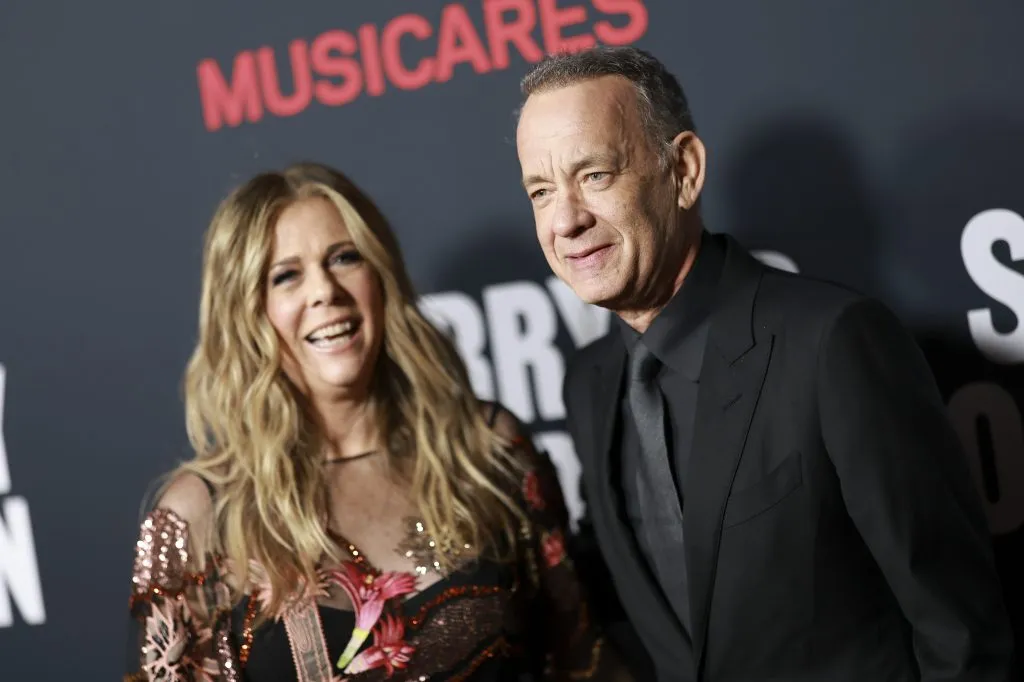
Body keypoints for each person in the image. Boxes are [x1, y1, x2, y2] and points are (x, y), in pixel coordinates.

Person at [515, 46, 1017, 681]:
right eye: (541, 191)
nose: (565, 220)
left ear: (684, 170)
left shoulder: (831, 343)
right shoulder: (590, 384)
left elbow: (960, 633)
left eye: (595, 176)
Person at [124, 162, 632, 682]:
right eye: (286, 276)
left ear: (380, 276)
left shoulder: (485, 449)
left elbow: (582, 661)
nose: (325, 291)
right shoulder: (201, 517)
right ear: (245, 313)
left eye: (344, 258)